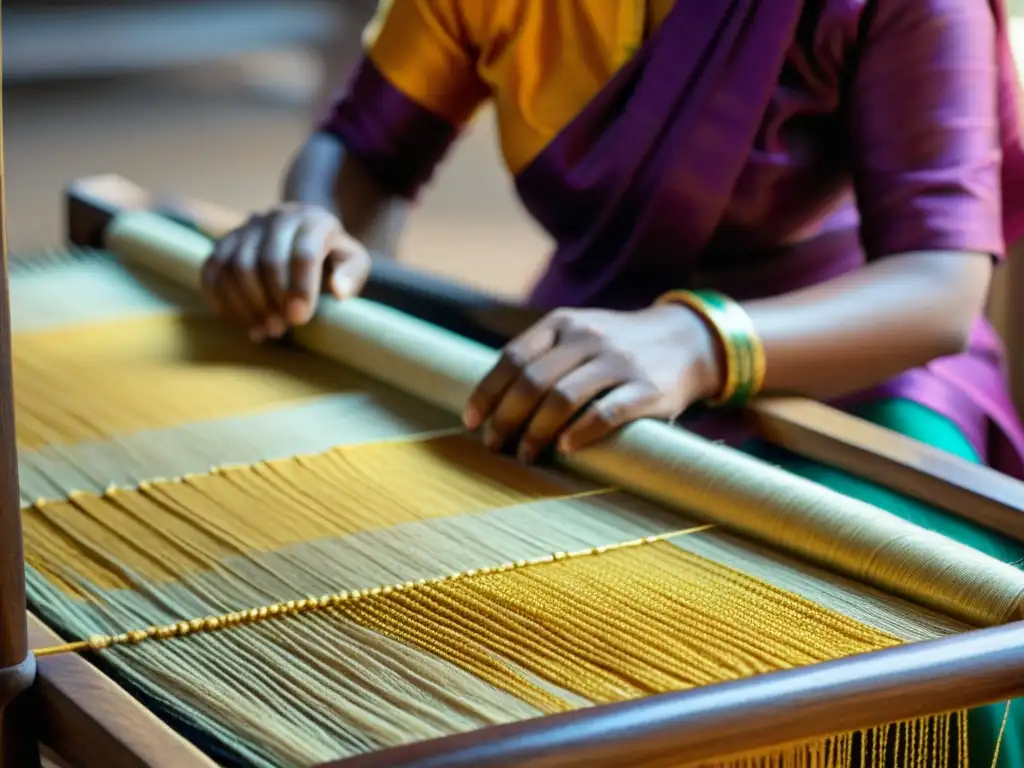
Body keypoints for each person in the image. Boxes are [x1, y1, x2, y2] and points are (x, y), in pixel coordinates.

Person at [202, 0, 1024, 763]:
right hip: (582, 347)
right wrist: (317, 227)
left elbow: (936, 285)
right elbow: (367, 151)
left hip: (847, 360)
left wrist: (698, 341)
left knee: (916, 636)